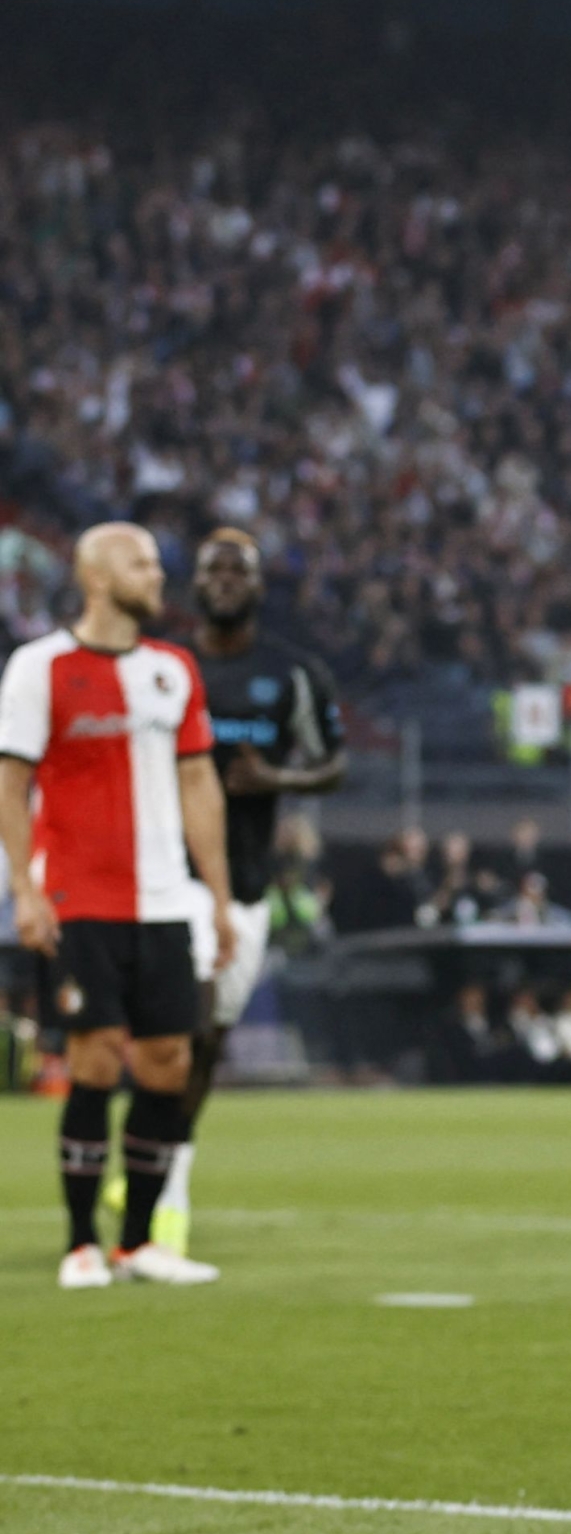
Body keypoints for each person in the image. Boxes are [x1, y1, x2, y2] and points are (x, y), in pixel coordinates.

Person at [0, 522, 233, 1286]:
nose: (157, 575)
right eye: (140, 563)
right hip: (81, 897)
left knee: (169, 1063)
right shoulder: (41, 667)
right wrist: (25, 890)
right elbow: (11, 784)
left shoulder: (174, 669)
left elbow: (200, 785)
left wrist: (219, 898)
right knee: (96, 1059)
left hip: (167, 900)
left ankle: (139, 1242)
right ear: (97, 577)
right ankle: (79, 1242)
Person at [145, 527, 345, 1255]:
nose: (226, 579)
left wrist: (279, 779)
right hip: (169, 877)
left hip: (249, 884)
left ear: (259, 588)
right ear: (193, 586)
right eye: (213, 568)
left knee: (210, 1041)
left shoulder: (293, 674)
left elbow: (334, 762)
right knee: (186, 1017)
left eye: (240, 569)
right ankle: (166, 1191)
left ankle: (160, 1152)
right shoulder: (161, 667)